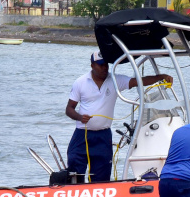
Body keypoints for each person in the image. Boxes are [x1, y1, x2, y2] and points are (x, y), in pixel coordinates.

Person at [66, 51, 171, 183]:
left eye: (106, 64)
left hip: (103, 135)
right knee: (75, 170)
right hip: (82, 134)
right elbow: (69, 109)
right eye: (100, 64)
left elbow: (137, 81)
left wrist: (160, 77)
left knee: (102, 175)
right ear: (92, 65)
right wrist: (80, 117)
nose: (104, 67)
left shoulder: (115, 80)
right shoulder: (80, 82)